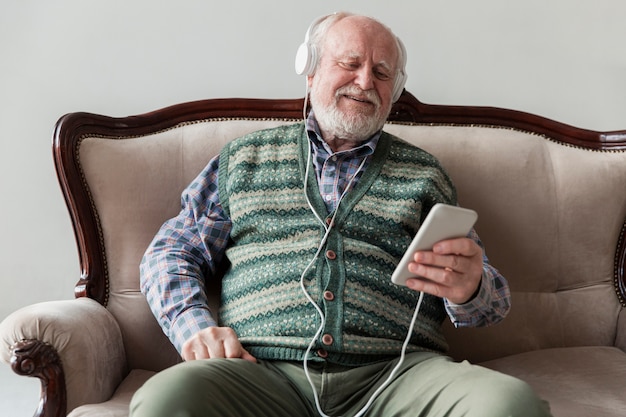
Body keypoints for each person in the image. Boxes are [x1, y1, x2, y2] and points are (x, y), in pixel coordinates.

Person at [130, 12, 551, 417]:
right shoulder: (244, 159)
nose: (365, 81)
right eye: (350, 64)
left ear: (395, 90)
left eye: (382, 73)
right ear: (310, 70)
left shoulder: (425, 174)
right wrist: (193, 328)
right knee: (166, 400)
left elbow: (489, 302)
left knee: (511, 405)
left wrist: (471, 286)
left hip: (398, 375)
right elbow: (171, 251)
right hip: (260, 373)